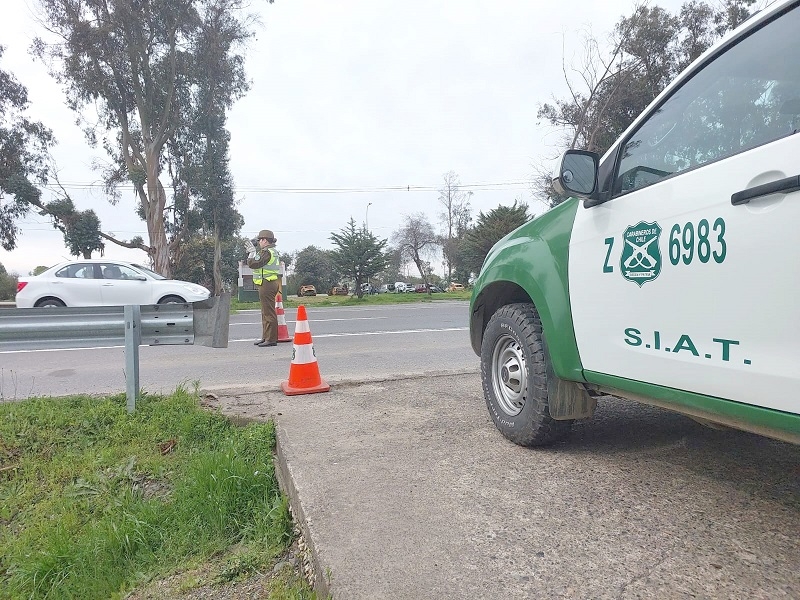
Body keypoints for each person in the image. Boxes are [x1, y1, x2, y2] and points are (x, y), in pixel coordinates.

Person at [248, 229, 281, 347]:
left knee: (268, 312)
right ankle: (266, 337)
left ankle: (271, 339)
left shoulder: (267, 252)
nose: (259, 242)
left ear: (265, 240)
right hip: (267, 282)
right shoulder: (269, 251)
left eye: (260, 240)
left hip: (267, 283)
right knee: (265, 312)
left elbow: (254, 264)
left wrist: (251, 253)